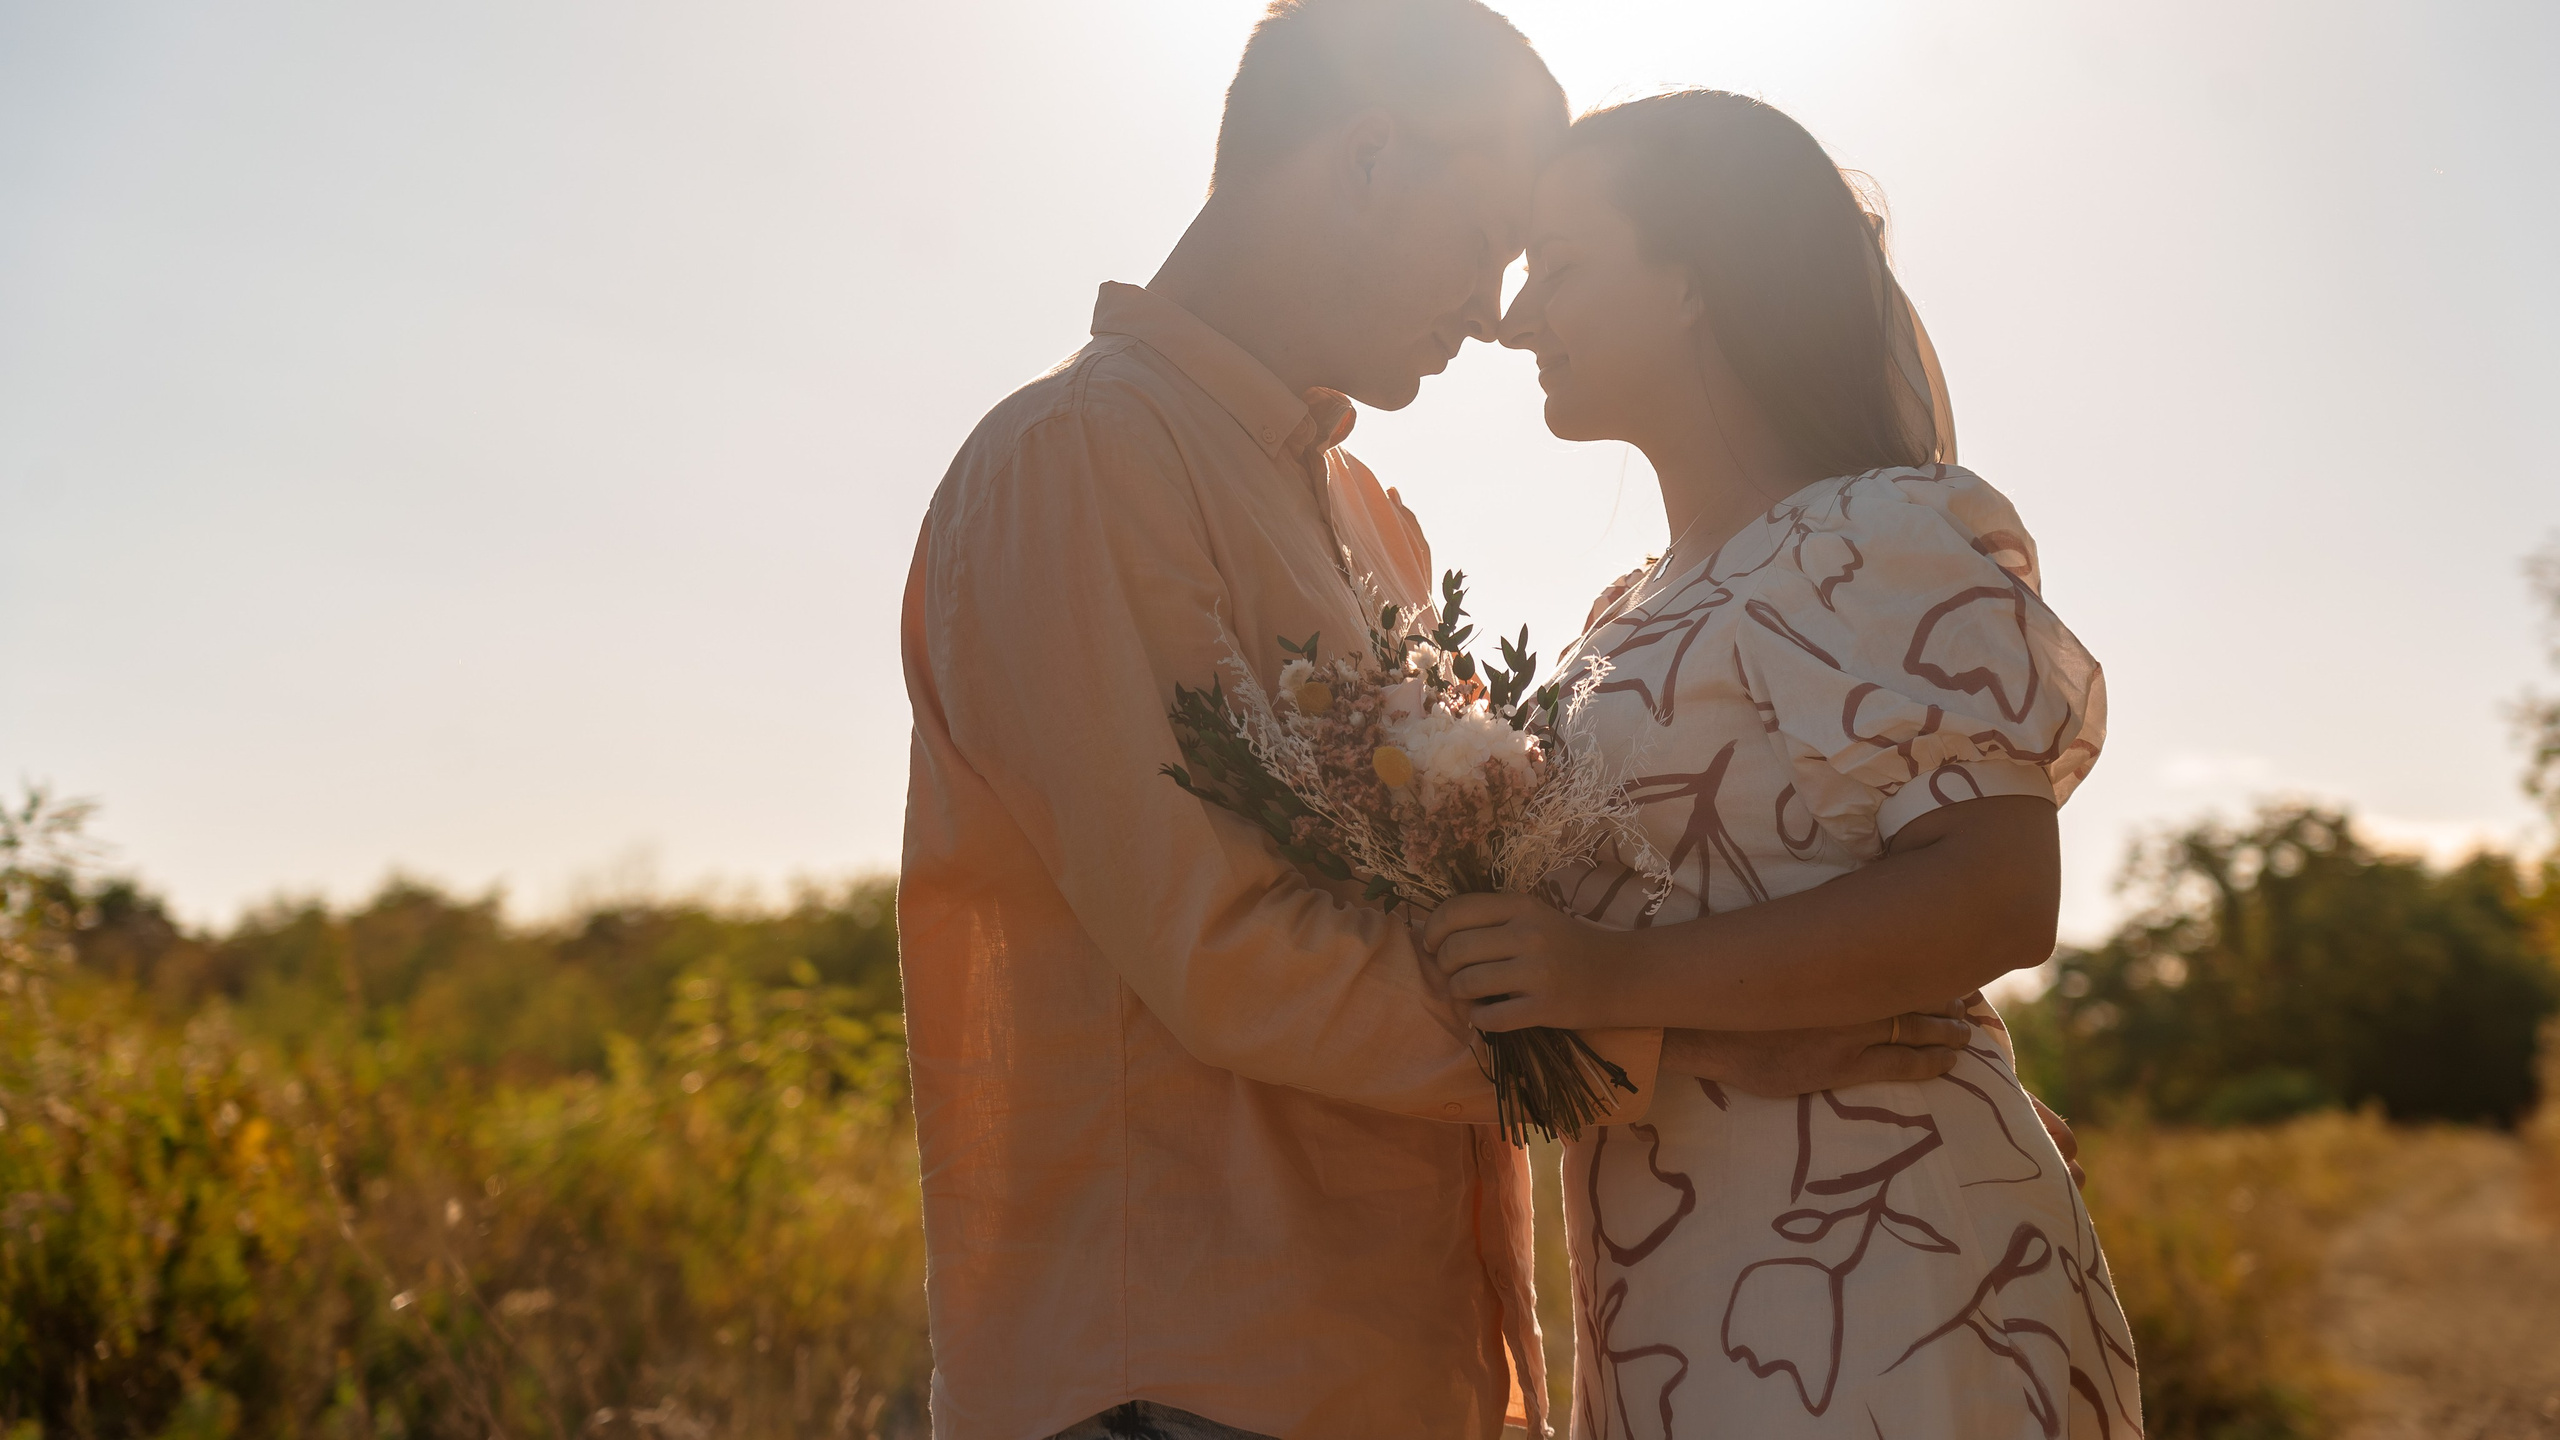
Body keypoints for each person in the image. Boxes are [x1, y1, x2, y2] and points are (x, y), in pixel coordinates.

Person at [897, 7, 1992, 1438]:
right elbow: (1222, 944)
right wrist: (1701, 1053)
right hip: (1186, 1373)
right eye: (1487, 233)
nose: (1496, 305)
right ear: (1366, 158)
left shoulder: (1367, 524)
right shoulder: (1084, 457)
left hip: (1407, 1369)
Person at [1425, 90, 2142, 1437]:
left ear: (1696, 281)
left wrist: (1616, 979)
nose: (1516, 318)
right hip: (1678, 1261)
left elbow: (1994, 895)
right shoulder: (1622, 613)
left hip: (1880, 1258)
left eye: (1563, 268)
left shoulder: (1871, 535)